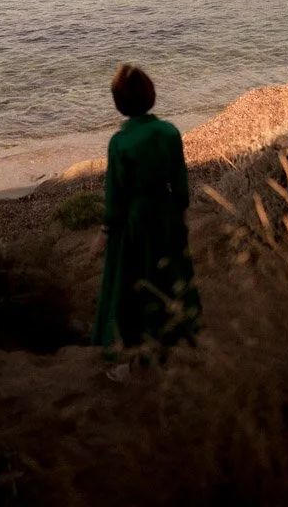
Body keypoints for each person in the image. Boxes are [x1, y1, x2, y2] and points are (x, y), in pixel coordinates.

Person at [91, 64, 201, 359]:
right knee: (165, 277)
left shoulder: (120, 142)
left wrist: (104, 233)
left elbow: (115, 194)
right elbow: (180, 180)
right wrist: (182, 215)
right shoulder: (169, 132)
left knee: (129, 283)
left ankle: (126, 355)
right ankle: (168, 341)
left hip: (135, 220)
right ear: (151, 95)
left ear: (119, 104)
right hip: (166, 214)